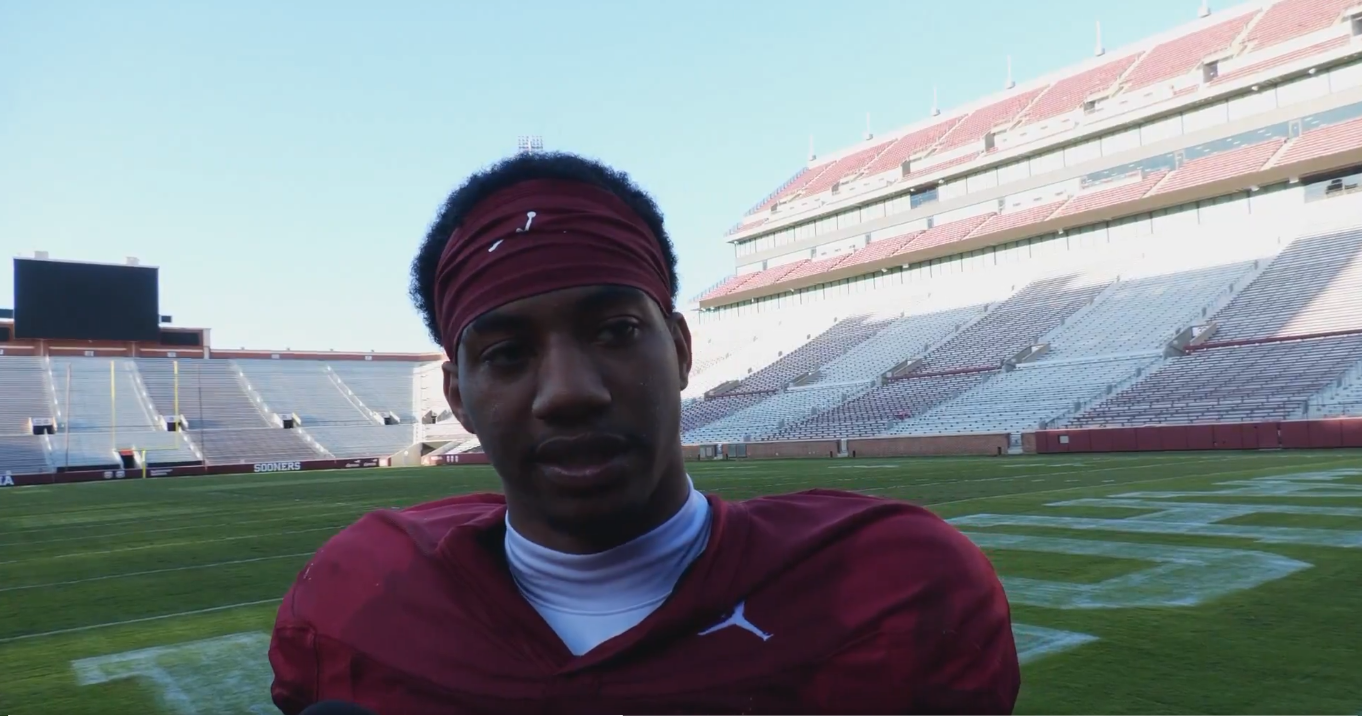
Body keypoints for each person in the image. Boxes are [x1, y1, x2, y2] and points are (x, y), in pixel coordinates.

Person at [268, 152, 1020, 714]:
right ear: (457, 396)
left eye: (617, 331)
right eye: (507, 354)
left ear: (683, 351)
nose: (569, 392)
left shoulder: (896, 590)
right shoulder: (354, 602)